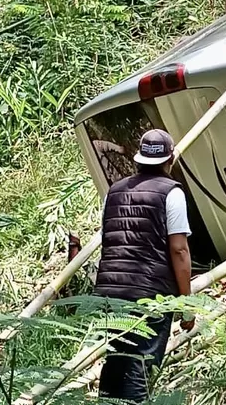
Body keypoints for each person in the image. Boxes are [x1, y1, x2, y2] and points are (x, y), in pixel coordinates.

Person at [94, 129, 193, 403]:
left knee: (116, 361)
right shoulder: (171, 193)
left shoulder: (113, 192)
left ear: (138, 159)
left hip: (109, 295)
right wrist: (187, 304)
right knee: (139, 366)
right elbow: (179, 249)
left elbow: (110, 240)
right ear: (169, 160)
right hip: (149, 295)